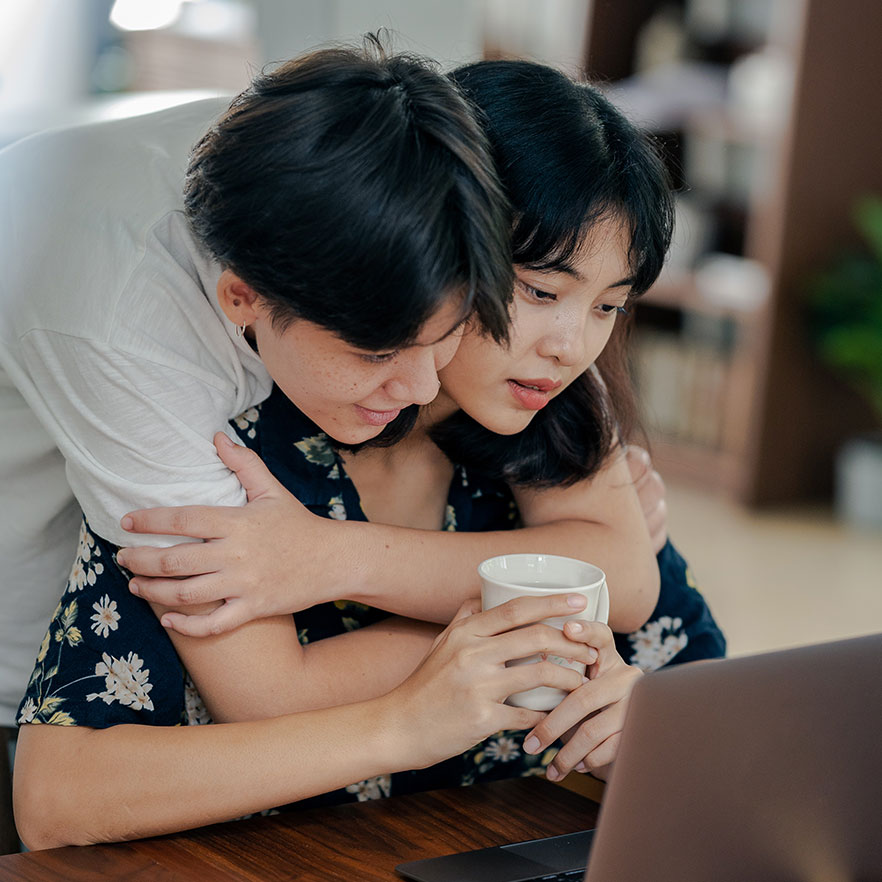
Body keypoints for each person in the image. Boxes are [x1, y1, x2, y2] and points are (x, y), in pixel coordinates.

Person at [14, 60, 721, 847]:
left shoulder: (540, 427)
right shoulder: (223, 447)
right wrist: (463, 679)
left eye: (610, 308)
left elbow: (704, 705)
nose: (570, 349)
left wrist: (625, 732)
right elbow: (64, 790)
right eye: (539, 291)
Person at [0, 39, 515, 732]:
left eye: (447, 335)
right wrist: (520, 635)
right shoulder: (123, 323)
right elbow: (263, 694)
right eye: (378, 353)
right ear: (242, 299)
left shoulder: (349, 156)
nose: (424, 386)